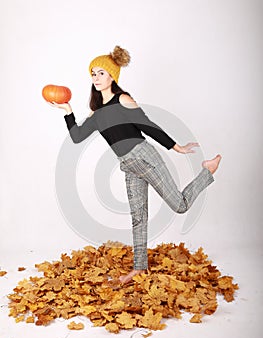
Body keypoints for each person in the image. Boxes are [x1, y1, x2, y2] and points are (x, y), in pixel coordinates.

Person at [48, 45, 221, 284]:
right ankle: (139, 269)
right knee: (138, 217)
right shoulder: (96, 114)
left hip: (143, 156)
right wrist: (67, 111)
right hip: (128, 165)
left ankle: (207, 171)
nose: (96, 78)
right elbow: (77, 137)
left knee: (180, 205)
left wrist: (176, 147)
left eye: (101, 73)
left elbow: (147, 125)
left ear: (112, 76)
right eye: (93, 73)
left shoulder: (123, 99)